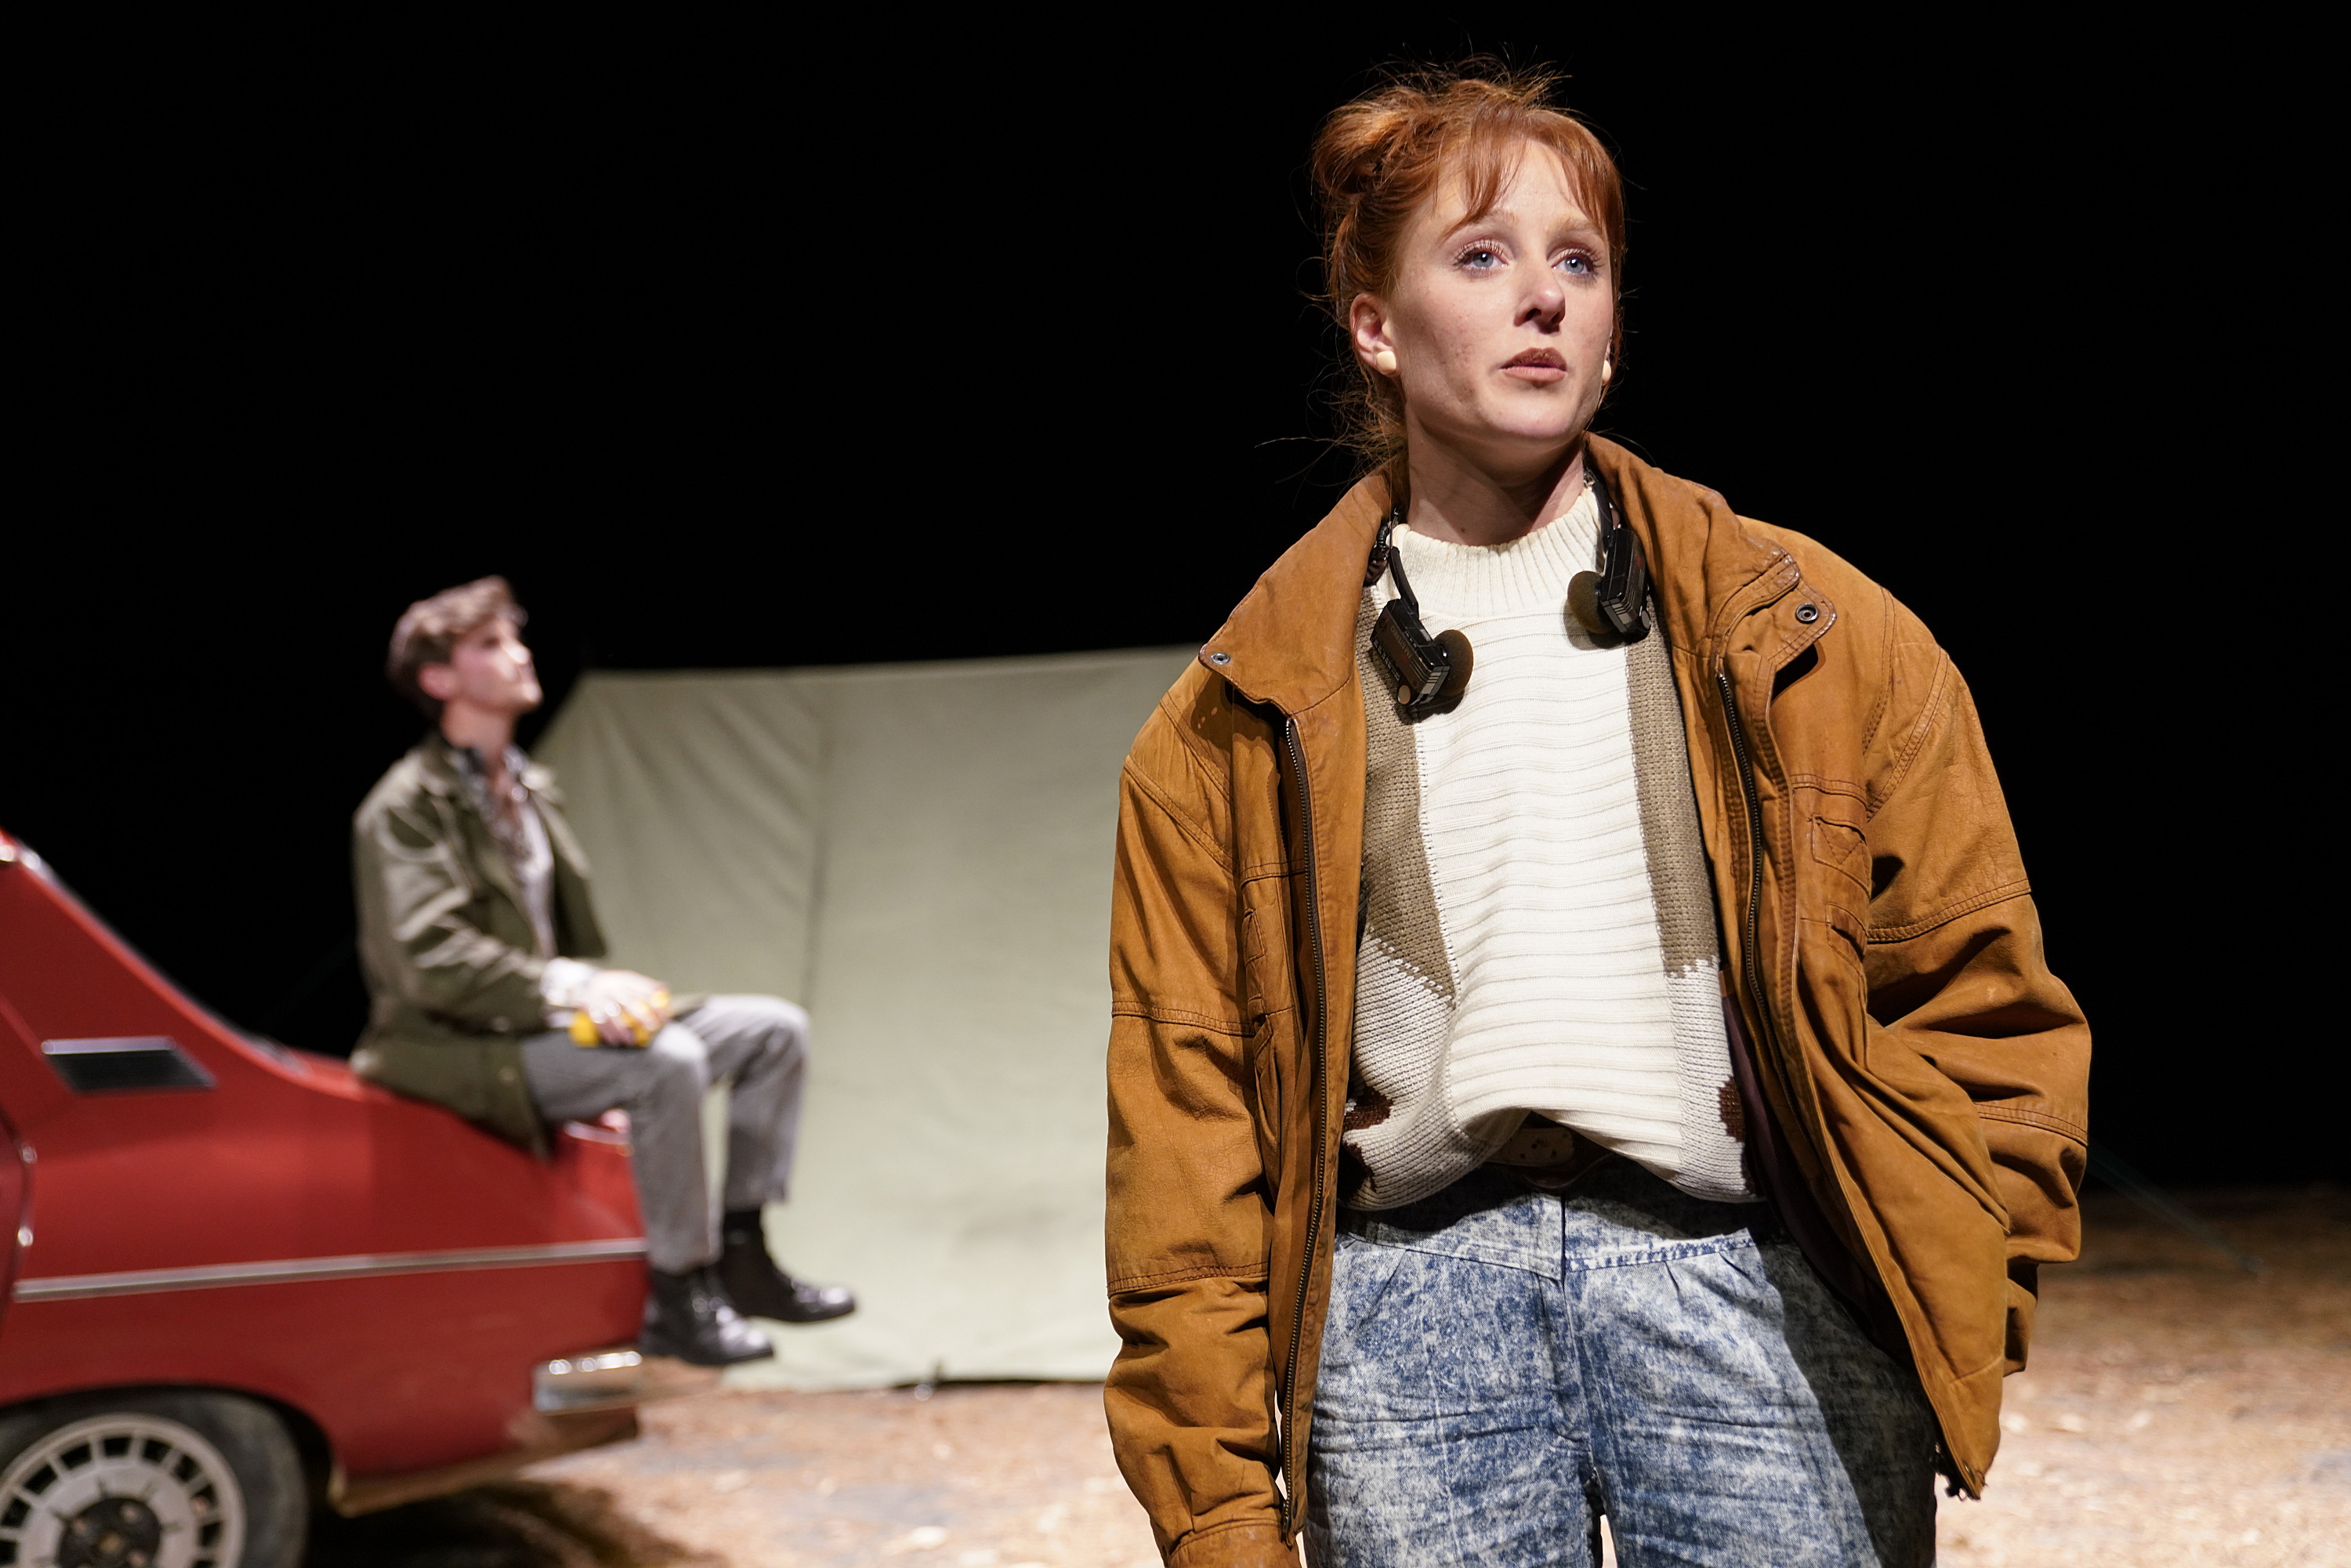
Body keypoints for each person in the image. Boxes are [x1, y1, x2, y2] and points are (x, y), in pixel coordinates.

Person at [1102, 66, 2089, 1567]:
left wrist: (1952, 1276)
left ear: (1615, 327)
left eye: (1579, 259)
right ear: (1376, 327)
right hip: (1406, 1316)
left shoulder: (1819, 638)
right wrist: (1222, 1511)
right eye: (1481, 255)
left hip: (1760, 1287)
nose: (1542, 298)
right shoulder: (1239, 718)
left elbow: (1983, 992)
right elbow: (1185, 1132)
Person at [353, 576, 854, 1367]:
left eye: (516, 637)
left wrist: (583, 1004)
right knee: (666, 1061)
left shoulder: (524, 788)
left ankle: (743, 1253)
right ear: (439, 679)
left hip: (536, 1022)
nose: (519, 654)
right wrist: (579, 989)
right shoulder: (407, 807)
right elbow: (433, 964)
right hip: (455, 1044)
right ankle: (681, 1294)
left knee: (772, 1031)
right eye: (489, 644)